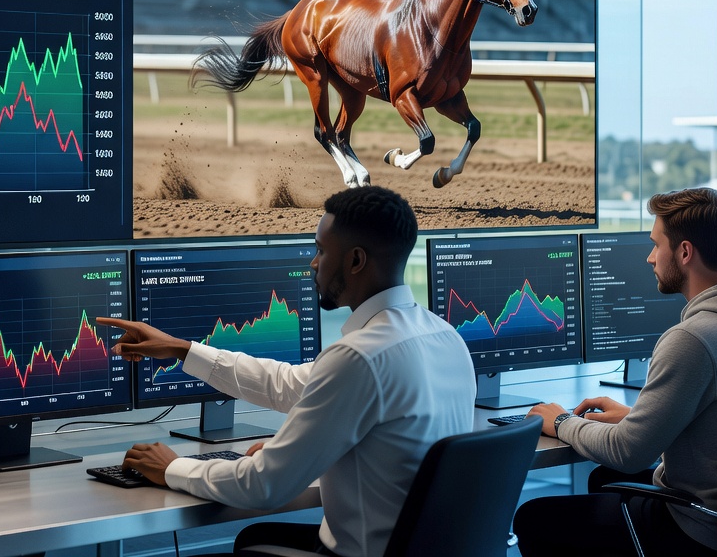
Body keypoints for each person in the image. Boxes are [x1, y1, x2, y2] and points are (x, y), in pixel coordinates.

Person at [99, 186, 476, 557]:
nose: (313, 263)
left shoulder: (359, 357)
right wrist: (182, 350)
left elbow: (263, 486)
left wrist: (172, 467)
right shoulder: (445, 337)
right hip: (425, 547)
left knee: (254, 543)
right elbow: (288, 384)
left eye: (321, 250)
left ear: (356, 261)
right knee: (257, 536)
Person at [515, 187, 717, 556]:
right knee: (606, 481)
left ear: (684, 252)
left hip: (699, 530)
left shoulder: (694, 339)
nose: (650, 258)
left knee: (534, 518)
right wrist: (638, 418)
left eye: (656, 244)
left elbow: (627, 454)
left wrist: (560, 422)